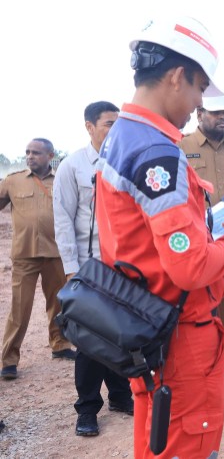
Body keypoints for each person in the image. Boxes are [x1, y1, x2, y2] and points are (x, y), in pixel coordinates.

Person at [94, 15, 224, 457]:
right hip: (179, 333)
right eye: (201, 88)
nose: (200, 101)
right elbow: (191, 265)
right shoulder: (158, 152)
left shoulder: (123, 135)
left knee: (155, 443)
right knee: (186, 446)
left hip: (145, 319)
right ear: (178, 77)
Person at [53, 101, 134, 437]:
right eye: (108, 124)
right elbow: (63, 220)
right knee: (88, 340)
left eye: (118, 124)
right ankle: (87, 408)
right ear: (89, 126)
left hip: (122, 268)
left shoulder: (125, 163)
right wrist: (71, 268)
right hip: (88, 269)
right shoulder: (72, 166)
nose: (114, 130)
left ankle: (119, 395)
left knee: (119, 334)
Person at [180, 94, 224, 382]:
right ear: (199, 114)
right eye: (215, 113)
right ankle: (200, 363)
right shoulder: (181, 146)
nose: (222, 117)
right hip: (197, 240)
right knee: (197, 302)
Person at [0, 138, 75, 381]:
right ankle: (9, 359)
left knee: (58, 303)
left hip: (56, 253)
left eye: (36, 153)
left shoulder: (62, 179)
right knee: (20, 308)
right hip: (25, 255)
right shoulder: (13, 180)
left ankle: (60, 344)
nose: (30, 156)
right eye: (27, 153)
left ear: (50, 155)